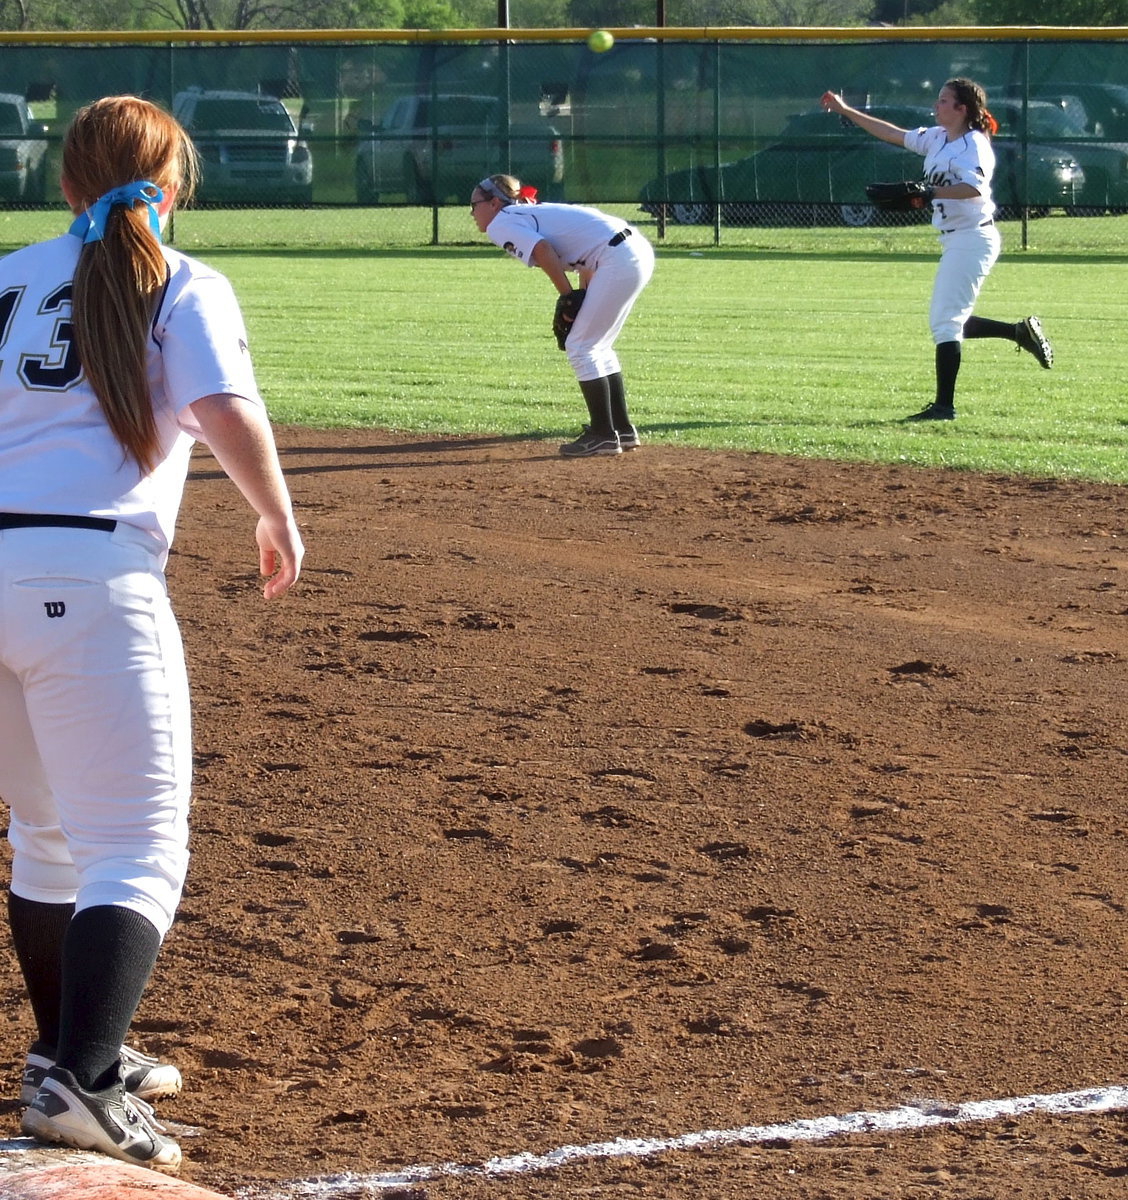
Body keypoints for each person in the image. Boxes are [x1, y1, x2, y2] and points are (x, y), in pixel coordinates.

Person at [0, 95, 303, 1173]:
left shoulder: (4, 271)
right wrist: (274, 512)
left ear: (64, 180)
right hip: (90, 574)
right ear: (168, 187)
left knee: (46, 842)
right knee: (136, 846)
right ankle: (83, 1080)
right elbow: (224, 409)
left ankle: (67, 1056)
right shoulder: (181, 279)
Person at [820, 79, 1054, 421]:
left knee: (945, 322)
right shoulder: (938, 137)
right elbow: (893, 134)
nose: (936, 105)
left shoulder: (974, 145)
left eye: (944, 101)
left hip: (974, 237)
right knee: (948, 318)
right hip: (955, 238)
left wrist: (930, 193)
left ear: (962, 109)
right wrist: (845, 110)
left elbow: (973, 189)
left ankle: (944, 407)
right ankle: (1017, 332)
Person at [470, 174, 655, 456]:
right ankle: (622, 429)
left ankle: (603, 435)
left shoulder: (502, 221)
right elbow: (588, 254)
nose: (472, 212)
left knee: (580, 346)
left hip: (617, 258)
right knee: (597, 345)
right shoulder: (531, 212)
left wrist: (568, 296)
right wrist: (580, 295)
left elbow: (543, 251)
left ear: (494, 203)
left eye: (474, 204)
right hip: (632, 252)